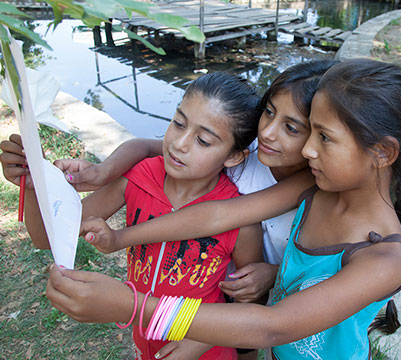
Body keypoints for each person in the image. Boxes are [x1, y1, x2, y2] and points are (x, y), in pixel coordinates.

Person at [45, 59, 401, 360]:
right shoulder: (317, 187)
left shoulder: (383, 258)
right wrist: (120, 239)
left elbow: (273, 327)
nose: (309, 149)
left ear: (383, 153)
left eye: (323, 138)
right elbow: (216, 215)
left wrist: (133, 305)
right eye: (311, 133)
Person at [0, 72, 266, 360]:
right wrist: (34, 181)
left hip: (207, 348)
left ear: (233, 156)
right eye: (178, 123)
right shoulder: (137, 177)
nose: (179, 143)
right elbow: (44, 238)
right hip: (143, 340)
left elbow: (251, 301)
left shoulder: (240, 219)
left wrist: (201, 341)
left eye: (202, 140)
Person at [56, 60, 338, 306]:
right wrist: (103, 172)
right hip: (227, 290)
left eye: (291, 127)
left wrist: (274, 274)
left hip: (291, 301)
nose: (266, 133)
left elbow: (218, 216)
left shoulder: (314, 184)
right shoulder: (249, 155)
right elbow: (144, 146)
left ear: (319, 134)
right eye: (268, 112)